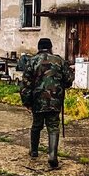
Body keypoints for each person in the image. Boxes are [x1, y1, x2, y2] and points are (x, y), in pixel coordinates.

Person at [20, 37, 73, 169]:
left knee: (37, 125)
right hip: (55, 100)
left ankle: (34, 151)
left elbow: (26, 84)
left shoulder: (32, 61)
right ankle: (52, 155)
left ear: (38, 48)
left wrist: (26, 102)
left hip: (37, 101)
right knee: (53, 127)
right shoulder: (59, 60)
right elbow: (69, 80)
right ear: (50, 47)